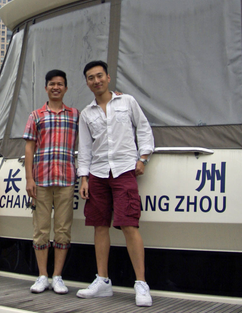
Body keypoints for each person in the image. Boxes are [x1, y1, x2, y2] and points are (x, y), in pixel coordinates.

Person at [76, 60, 154, 307]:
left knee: (130, 225)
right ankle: (103, 281)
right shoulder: (86, 113)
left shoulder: (127, 102)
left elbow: (143, 129)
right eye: (91, 77)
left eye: (100, 76)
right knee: (99, 225)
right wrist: (84, 177)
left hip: (124, 170)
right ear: (87, 83)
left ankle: (141, 284)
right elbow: (85, 148)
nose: (96, 81)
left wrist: (143, 158)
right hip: (97, 173)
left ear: (108, 78)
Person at [23, 69, 79, 294]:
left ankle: (58, 276)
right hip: (41, 180)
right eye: (52, 84)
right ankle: (42, 275)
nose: (56, 87)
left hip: (66, 179)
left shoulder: (75, 115)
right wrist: (29, 178)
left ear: (66, 88)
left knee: (63, 229)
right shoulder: (36, 116)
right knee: (41, 229)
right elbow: (29, 147)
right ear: (46, 88)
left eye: (60, 84)